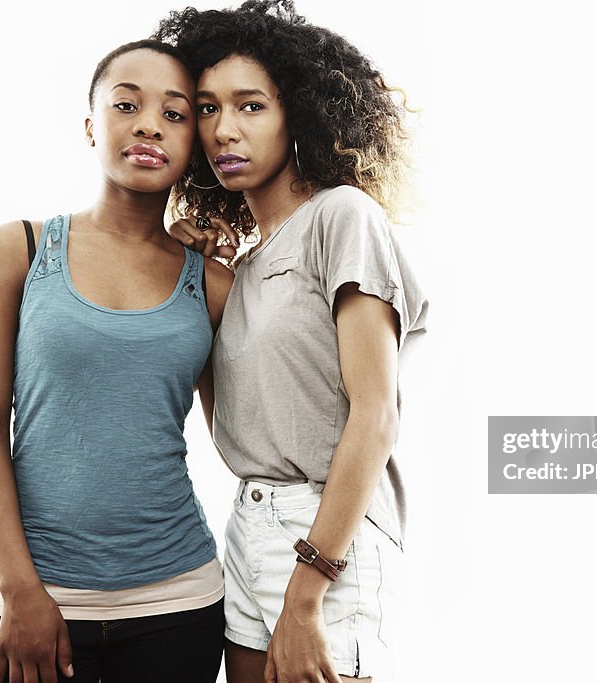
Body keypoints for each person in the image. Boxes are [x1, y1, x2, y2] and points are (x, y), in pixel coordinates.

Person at [154, 2, 429, 681]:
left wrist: (310, 586)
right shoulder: (244, 266)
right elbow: (236, 429)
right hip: (247, 526)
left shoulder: (343, 217)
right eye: (208, 109)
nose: (224, 129)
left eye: (250, 106)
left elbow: (376, 414)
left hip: (326, 536)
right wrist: (197, 280)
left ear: (297, 113)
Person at [0, 39, 234, 683]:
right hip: (35, 601)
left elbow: (244, 438)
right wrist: (20, 591)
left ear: (194, 141)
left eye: (174, 114)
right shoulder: (21, 249)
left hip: (180, 603)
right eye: (126, 105)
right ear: (92, 126)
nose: (148, 125)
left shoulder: (213, 285)